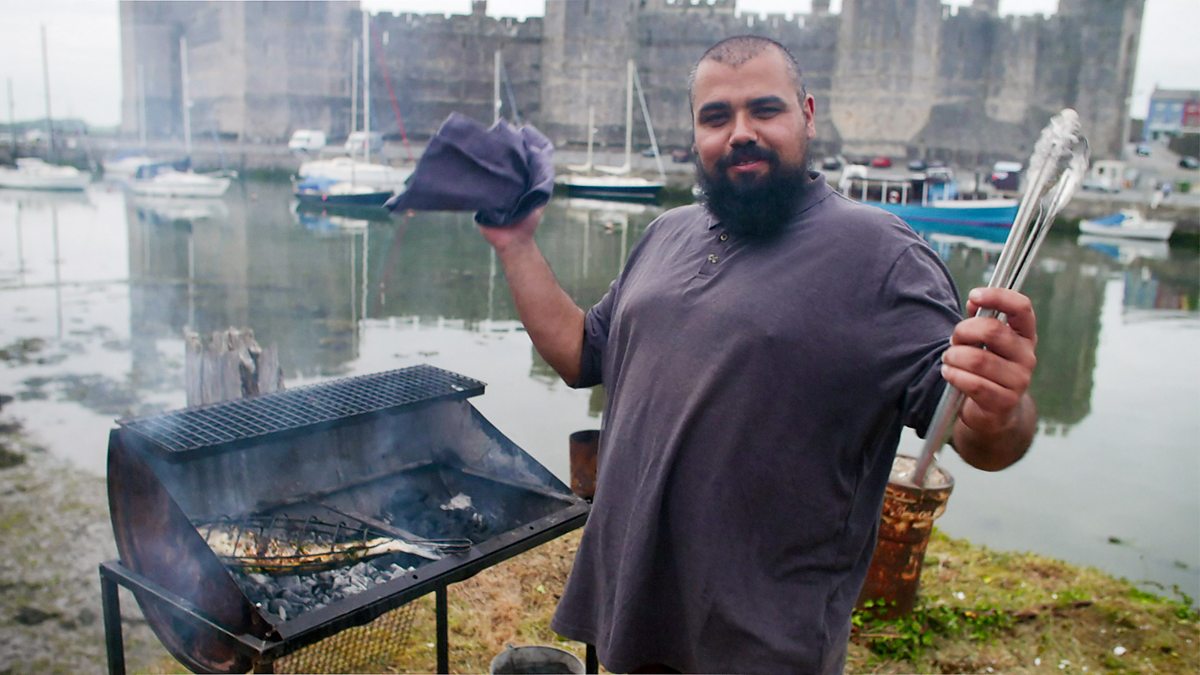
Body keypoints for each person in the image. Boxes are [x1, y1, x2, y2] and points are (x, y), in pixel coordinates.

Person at [478, 36, 1038, 674]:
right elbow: (583, 354)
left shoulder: (882, 256)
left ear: (807, 114)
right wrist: (515, 244)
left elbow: (977, 435)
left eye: (765, 110)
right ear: (696, 133)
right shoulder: (666, 233)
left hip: (761, 642)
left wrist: (1000, 406)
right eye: (716, 117)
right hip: (632, 608)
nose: (740, 132)